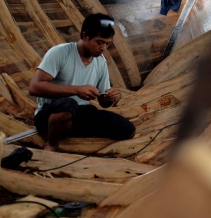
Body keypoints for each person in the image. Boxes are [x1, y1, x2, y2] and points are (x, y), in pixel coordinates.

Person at [29, 13, 136, 151]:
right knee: (68, 104)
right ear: (85, 36)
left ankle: (70, 133)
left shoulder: (100, 62)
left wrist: (110, 97)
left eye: (107, 44)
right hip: (49, 115)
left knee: (128, 129)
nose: (103, 48)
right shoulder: (60, 52)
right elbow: (34, 87)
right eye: (99, 42)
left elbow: (103, 102)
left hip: (80, 114)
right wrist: (77, 90)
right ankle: (52, 144)